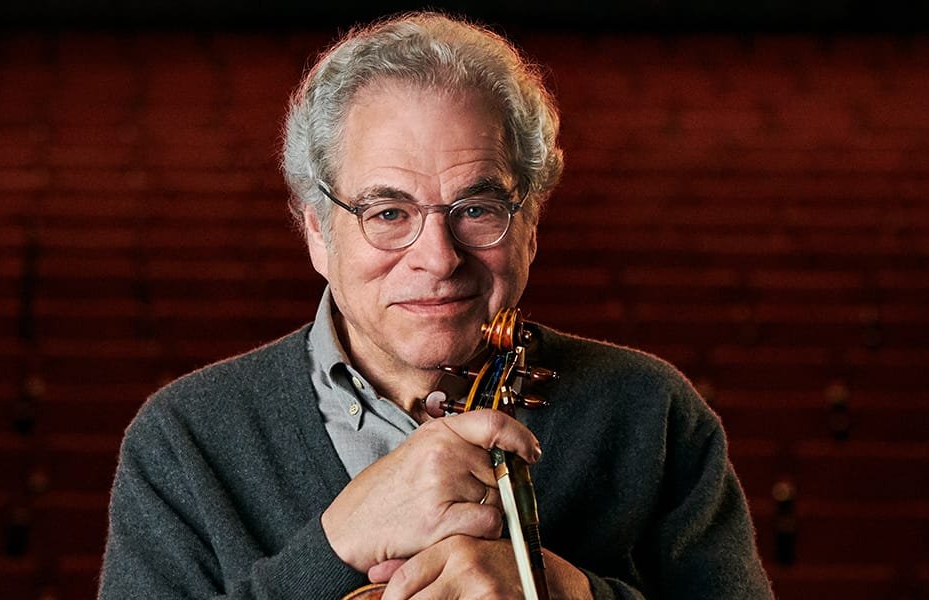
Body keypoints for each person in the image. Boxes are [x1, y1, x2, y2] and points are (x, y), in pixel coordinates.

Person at [99, 11, 773, 599]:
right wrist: (333, 547)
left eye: (476, 209)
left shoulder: (651, 411)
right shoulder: (184, 438)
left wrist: (571, 593)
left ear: (530, 224)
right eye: (388, 213)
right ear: (317, 232)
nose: (439, 259)